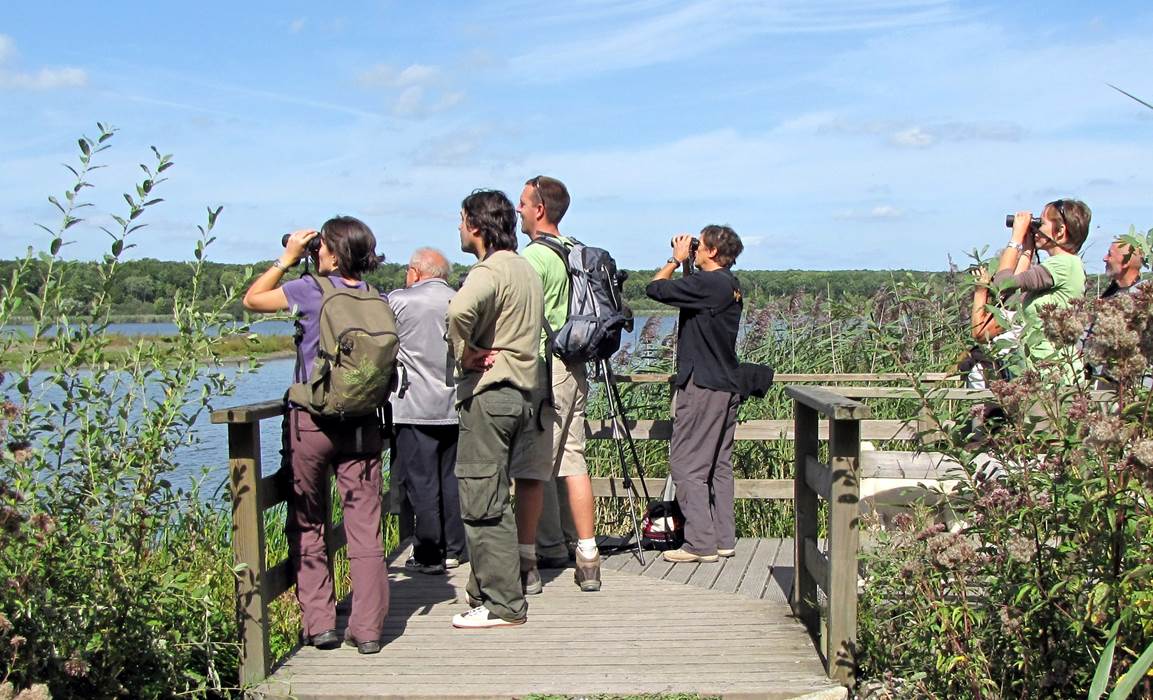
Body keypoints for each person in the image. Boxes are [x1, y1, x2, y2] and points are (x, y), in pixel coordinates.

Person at [242, 216, 389, 655]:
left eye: (320, 246)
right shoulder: (375, 297)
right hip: (363, 423)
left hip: (313, 421)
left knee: (309, 521)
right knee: (365, 528)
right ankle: (367, 630)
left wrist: (286, 258)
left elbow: (252, 300)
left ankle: (321, 624)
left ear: (330, 252)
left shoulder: (309, 291)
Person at [446, 189, 547, 629]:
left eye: (461, 219)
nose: (459, 228)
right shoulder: (525, 268)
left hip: (490, 394)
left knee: (483, 501)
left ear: (476, 225)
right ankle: (484, 593)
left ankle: (504, 604)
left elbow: (458, 310)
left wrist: (464, 352)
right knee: (494, 496)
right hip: (523, 394)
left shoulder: (488, 271)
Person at [516, 175, 602, 593]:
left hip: (545, 369)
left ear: (539, 209)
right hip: (575, 364)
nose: (518, 210)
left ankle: (527, 562)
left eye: (522, 203)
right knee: (574, 459)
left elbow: (520, 317)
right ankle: (588, 558)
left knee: (533, 467)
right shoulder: (574, 250)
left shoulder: (533, 257)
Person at [645, 226, 744, 564]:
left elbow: (656, 289)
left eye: (701, 244)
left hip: (702, 386)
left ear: (714, 251)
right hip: (726, 383)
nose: (695, 248)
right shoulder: (728, 284)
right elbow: (690, 296)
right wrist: (689, 263)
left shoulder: (709, 283)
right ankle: (722, 538)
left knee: (686, 464)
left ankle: (699, 543)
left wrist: (674, 260)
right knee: (718, 465)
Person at [389, 247, 467, 575]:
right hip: (454, 403)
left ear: (416, 272)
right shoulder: (459, 300)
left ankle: (429, 552)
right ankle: (455, 548)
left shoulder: (398, 301)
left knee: (420, 481)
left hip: (413, 405)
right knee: (451, 478)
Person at [972, 199, 1090, 377]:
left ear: (1060, 231)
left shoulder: (1064, 265)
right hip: (1042, 373)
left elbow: (1002, 285)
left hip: (1053, 377)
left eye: (1041, 222)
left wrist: (1016, 238)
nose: (1035, 226)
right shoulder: (1061, 267)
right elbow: (1010, 298)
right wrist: (1027, 249)